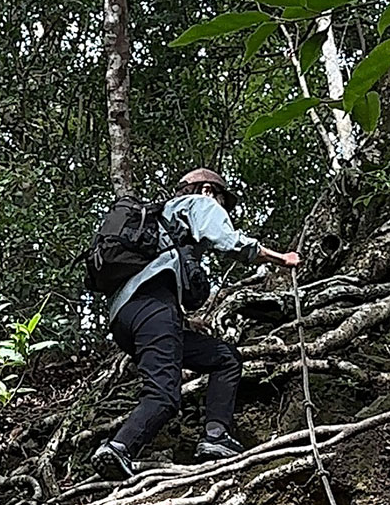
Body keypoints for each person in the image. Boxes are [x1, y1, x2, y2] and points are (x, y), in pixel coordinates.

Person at [92, 169, 299, 479]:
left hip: (127, 317)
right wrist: (281, 259)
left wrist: (184, 320)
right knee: (163, 395)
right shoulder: (198, 203)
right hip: (152, 309)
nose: (222, 209)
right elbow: (229, 241)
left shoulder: (164, 223)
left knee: (224, 358)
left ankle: (216, 437)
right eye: (221, 201)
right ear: (207, 190)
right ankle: (118, 448)